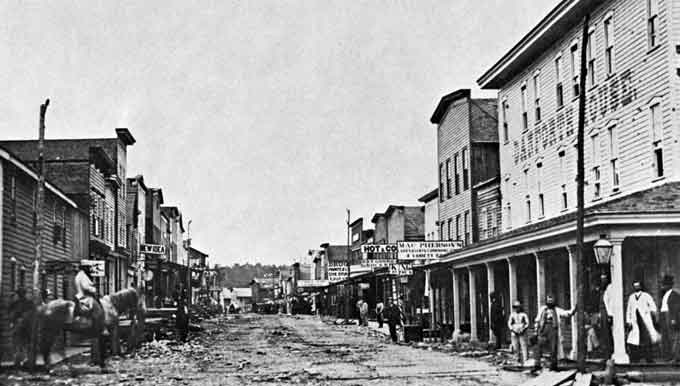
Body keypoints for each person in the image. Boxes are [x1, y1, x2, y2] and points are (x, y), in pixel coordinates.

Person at [532, 294, 575, 372]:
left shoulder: (557, 310)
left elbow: (566, 313)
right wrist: (535, 331)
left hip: (553, 328)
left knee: (553, 347)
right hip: (543, 328)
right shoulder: (542, 309)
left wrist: (574, 310)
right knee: (537, 346)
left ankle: (553, 366)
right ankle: (537, 365)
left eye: (551, 301)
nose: (550, 302)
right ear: (546, 301)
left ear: (554, 302)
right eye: (548, 301)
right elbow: (537, 320)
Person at [626, 280, 660, 363]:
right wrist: (628, 320)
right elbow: (629, 310)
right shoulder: (631, 297)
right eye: (635, 286)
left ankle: (649, 358)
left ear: (641, 286)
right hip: (635, 321)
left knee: (646, 340)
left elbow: (653, 307)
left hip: (644, 320)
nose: (636, 287)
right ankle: (635, 358)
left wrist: (649, 312)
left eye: (638, 286)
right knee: (634, 340)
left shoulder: (646, 295)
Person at [74, 264, 108, 336]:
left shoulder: (79, 275)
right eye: (88, 268)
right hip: (85, 297)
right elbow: (86, 287)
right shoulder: (82, 276)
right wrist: (93, 289)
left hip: (81, 296)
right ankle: (98, 329)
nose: (89, 270)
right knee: (98, 310)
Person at [659, 275, 680, 362]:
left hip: (670, 317)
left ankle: (675, 357)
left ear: (669, 285)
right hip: (664, 316)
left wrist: (673, 319)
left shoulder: (674, 294)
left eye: (665, 285)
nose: (663, 286)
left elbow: (675, 308)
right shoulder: (665, 295)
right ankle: (669, 357)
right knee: (666, 338)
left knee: (673, 337)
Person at [508, 300, 529, 365]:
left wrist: (523, 329)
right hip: (514, 332)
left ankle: (526, 361)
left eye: (518, 307)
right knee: (515, 347)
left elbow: (527, 323)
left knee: (524, 346)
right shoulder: (512, 315)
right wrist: (512, 329)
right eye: (515, 307)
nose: (516, 308)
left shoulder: (523, 314)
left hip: (522, 332)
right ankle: (516, 360)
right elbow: (509, 323)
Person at [599, 273, 614, 358]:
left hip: (611, 312)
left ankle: (610, 351)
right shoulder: (601, 290)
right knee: (605, 333)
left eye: (604, 279)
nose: (603, 281)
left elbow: (608, 302)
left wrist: (609, 314)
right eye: (602, 279)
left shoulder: (611, 287)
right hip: (604, 313)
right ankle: (606, 353)